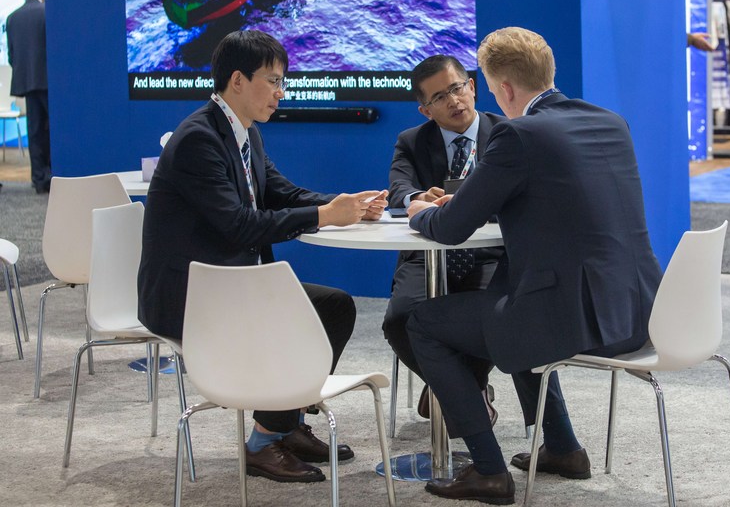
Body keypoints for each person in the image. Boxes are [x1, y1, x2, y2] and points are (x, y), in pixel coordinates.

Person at [405, 27, 662, 504]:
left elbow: (452, 228)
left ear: (503, 88)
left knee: (422, 322)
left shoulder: (517, 134)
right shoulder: (610, 122)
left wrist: (420, 212)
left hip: (576, 323)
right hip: (639, 315)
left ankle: (488, 472)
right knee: (511, 298)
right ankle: (563, 448)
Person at [137, 30, 388, 484]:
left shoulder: (244, 132)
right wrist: (325, 216)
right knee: (295, 314)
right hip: (192, 298)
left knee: (333, 306)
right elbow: (238, 225)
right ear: (237, 80)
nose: (281, 92)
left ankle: (284, 425)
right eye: (273, 81)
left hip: (235, 286)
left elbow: (281, 193)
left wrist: (345, 206)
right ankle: (263, 444)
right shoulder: (199, 138)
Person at [385, 54, 505, 421]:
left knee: (492, 314)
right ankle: (466, 390)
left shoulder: (507, 134)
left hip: (489, 255)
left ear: (472, 87)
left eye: (457, 88)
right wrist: (418, 198)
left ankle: (454, 389)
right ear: (425, 110)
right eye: (439, 97)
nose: (453, 100)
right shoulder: (412, 141)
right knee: (400, 319)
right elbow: (398, 190)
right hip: (427, 255)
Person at [6, 0, 50, 193]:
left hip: (27, 83)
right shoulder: (47, 13)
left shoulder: (12, 18)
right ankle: (53, 177)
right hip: (50, 84)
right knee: (51, 130)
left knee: (34, 131)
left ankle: (38, 179)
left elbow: (11, 56)